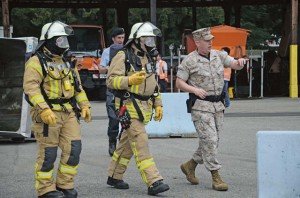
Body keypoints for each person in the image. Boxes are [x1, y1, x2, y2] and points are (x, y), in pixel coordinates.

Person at [23, 21, 91, 198]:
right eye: (60, 40)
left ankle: (64, 184)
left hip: (68, 112)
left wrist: (85, 106)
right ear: (49, 41)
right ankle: (45, 189)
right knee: (48, 153)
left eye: (65, 40)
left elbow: (78, 87)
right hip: (48, 114)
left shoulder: (68, 61)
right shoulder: (36, 61)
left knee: (74, 149)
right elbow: (31, 88)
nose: (64, 44)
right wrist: (44, 109)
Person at [176, 27, 248, 191]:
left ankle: (190, 165)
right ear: (197, 42)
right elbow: (179, 83)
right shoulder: (189, 60)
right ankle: (216, 176)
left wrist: (240, 63)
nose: (211, 43)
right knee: (210, 140)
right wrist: (194, 90)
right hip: (201, 107)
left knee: (212, 141)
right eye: (207, 40)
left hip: (218, 106)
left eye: (211, 40)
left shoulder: (218, 55)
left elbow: (234, 64)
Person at [106, 22, 170, 196]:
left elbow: (153, 84)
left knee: (126, 145)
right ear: (137, 40)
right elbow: (111, 81)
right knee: (141, 141)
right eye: (147, 38)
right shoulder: (122, 56)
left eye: (152, 38)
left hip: (144, 107)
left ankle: (114, 176)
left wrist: (158, 104)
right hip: (127, 106)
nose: (151, 42)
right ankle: (154, 181)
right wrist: (129, 80)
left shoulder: (148, 57)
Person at [98, 27, 125, 156]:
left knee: (127, 118)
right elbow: (101, 69)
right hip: (112, 89)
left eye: (122, 38)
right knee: (113, 118)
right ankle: (112, 141)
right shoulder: (107, 52)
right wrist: (112, 67)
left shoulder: (127, 50)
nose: (121, 40)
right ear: (113, 39)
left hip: (126, 89)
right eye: (119, 38)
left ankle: (123, 142)